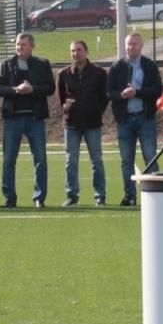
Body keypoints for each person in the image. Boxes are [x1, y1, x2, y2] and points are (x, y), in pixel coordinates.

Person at [0, 32, 54, 208]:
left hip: (35, 119)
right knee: (9, 159)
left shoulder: (42, 64)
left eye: (23, 45)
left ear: (32, 46)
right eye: (18, 44)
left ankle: (39, 198)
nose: (20, 47)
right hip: (13, 119)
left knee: (40, 159)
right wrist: (14, 90)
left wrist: (32, 89)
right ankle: (9, 197)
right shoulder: (6, 64)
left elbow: (50, 87)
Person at [107, 32, 163, 206]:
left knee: (150, 156)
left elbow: (157, 90)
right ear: (125, 46)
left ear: (141, 46)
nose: (132, 47)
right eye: (129, 44)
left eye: (135, 44)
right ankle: (130, 196)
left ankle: (156, 195)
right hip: (125, 120)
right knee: (126, 160)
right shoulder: (117, 67)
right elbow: (108, 92)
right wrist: (122, 95)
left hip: (145, 118)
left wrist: (137, 93)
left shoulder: (150, 66)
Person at [57, 39, 109, 207]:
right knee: (71, 160)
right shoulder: (64, 74)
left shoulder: (99, 73)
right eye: (73, 51)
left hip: (92, 122)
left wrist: (96, 109)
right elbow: (61, 98)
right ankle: (72, 195)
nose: (75, 53)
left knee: (96, 160)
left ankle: (100, 195)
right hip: (71, 123)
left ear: (86, 52)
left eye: (79, 50)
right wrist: (67, 109)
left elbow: (104, 96)